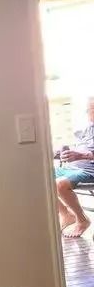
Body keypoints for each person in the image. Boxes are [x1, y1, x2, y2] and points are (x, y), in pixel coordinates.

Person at [55, 97, 94, 237]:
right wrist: (61, 153)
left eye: (92, 108)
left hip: (89, 169)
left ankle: (82, 220)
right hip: (73, 166)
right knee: (41, 176)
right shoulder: (87, 129)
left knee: (60, 184)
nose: (90, 112)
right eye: (89, 109)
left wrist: (83, 156)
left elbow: (85, 152)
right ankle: (65, 214)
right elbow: (79, 148)